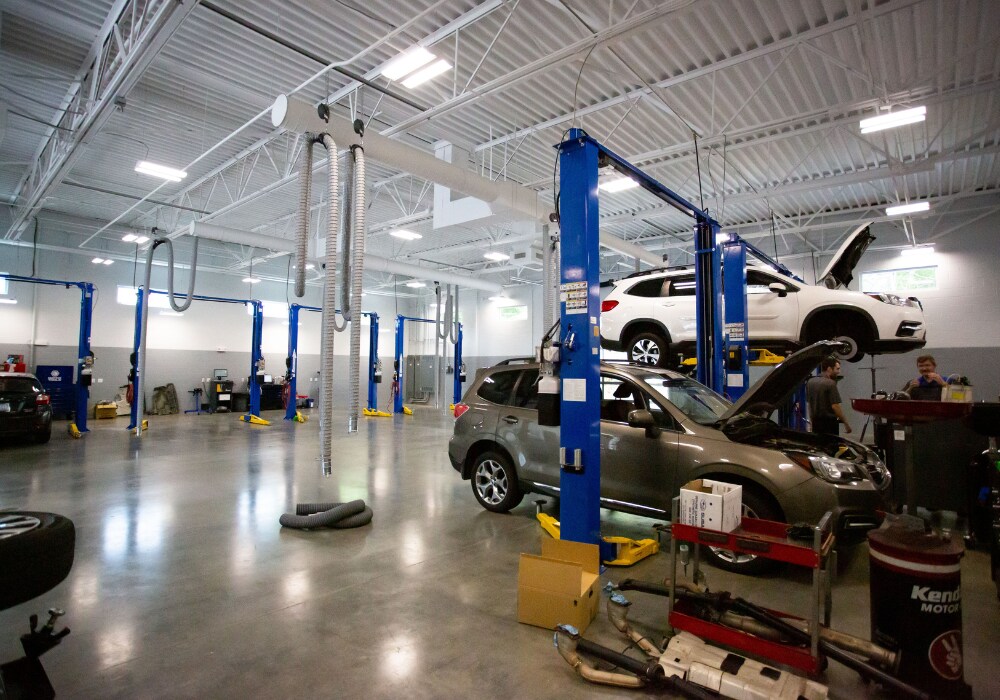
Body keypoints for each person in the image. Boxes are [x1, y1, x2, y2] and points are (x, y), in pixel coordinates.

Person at [806, 357, 852, 436]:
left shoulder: (810, 382)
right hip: (829, 424)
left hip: (816, 423)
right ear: (829, 369)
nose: (838, 372)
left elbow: (809, 404)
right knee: (831, 446)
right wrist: (846, 424)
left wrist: (811, 422)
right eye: (837, 369)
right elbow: (835, 406)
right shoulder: (830, 384)